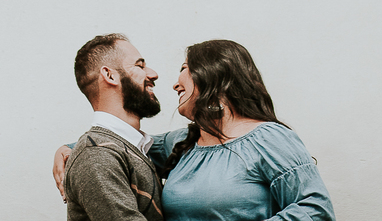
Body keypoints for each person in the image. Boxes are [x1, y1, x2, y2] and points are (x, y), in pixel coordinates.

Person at [55, 39, 335, 221]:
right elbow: (117, 147)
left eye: (184, 68)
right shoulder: (182, 143)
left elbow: (315, 209)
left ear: (213, 74)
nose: (175, 83)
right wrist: (68, 148)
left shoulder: (270, 139)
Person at [62, 33, 165, 221]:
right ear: (110, 75)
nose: (153, 74)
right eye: (139, 65)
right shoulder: (96, 154)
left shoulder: (127, 147)